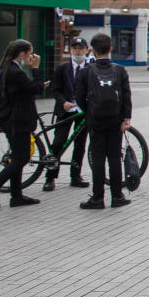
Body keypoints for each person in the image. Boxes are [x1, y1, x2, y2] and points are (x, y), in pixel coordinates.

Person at [0, 40, 46, 209]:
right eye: (30, 53)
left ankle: (16, 196)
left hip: (11, 120)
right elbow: (36, 89)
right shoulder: (15, 72)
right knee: (21, 159)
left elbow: (25, 89)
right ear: (22, 54)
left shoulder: (7, 68)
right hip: (18, 122)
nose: (31, 56)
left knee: (17, 157)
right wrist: (36, 70)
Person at [75, 33, 134, 210]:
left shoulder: (86, 71)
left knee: (98, 158)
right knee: (115, 157)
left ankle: (97, 198)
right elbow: (126, 96)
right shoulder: (120, 70)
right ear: (110, 49)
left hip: (95, 120)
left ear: (92, 50)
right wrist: (126, 118)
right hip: (115, 119)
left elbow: (79, 97)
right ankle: (117, 196)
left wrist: (89, 112)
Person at [44, 36, 93, 190]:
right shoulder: (62, 68)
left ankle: (75, 175)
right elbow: (55, 89)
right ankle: (50, 177)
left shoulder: (90, 68)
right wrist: (63, 102)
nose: (78, 51)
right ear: (71, 50)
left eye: (81, 49)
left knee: (80, 144)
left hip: (82, 111)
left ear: (87, 51)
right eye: (75, 49)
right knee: (58, 142)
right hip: (65, 110)